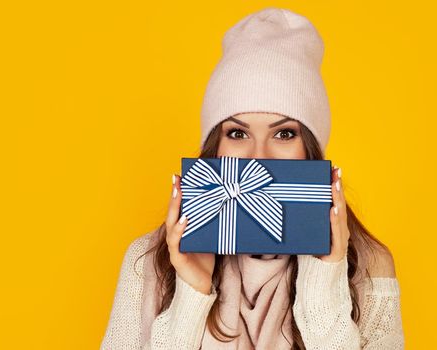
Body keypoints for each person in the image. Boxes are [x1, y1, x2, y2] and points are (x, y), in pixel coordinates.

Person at [100, 7, 404, 350]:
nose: (259, 156)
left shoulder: (369, 265)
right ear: (214, 146)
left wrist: (322, 285)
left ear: (312, 149)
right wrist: (191, 292)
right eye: (238, 134)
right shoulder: (149, 261)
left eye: (285, 134)